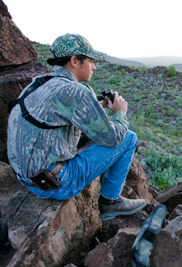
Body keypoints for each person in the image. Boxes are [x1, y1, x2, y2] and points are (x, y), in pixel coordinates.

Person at [7, 33, 146, 221]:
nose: (94, 67)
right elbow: (113, 138)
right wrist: (120, 113)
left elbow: (63, 113)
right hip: (56, 183)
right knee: (129, 138)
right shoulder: (74, 91)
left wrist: (101, 105)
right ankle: (110, 202)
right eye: (90, 61)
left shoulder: (39, 83)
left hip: (27, 178)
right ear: (74, 60)